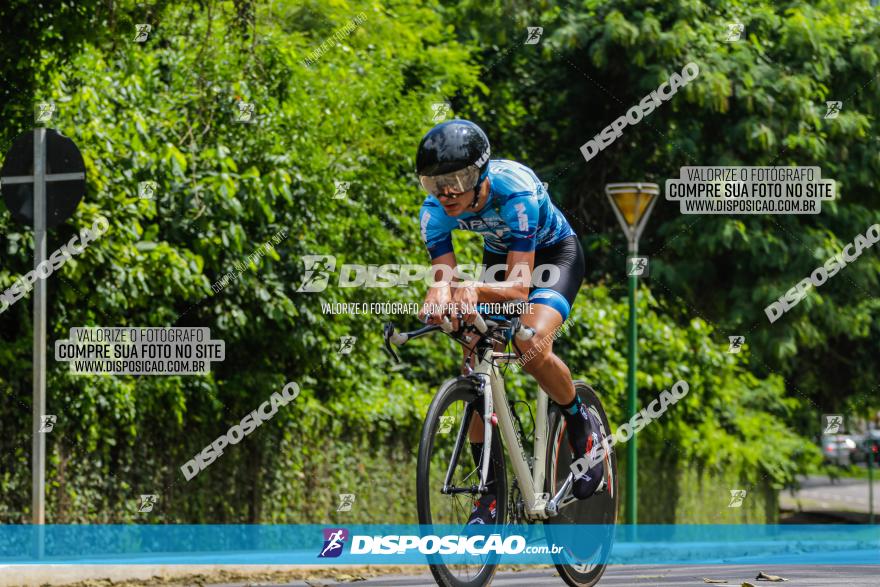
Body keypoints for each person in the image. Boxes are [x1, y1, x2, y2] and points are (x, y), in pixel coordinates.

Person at [415, 119, 605, 525]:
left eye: (457, 179)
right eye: (433, 183)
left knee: (530, 343)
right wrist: (438, 297)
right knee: (474, 358)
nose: (445, 192)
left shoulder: (515, 191)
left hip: (554, 257)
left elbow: (520, 291)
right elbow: (442, 280)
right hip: (501, 262)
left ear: (480, 174)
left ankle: (578, 422)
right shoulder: (433, 212)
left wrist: (471, 291)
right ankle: (488, 495)